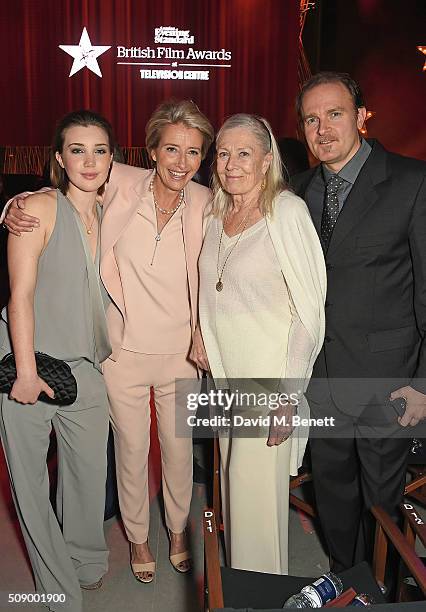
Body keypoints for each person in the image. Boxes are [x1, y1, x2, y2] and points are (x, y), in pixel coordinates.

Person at [4, 99, 214, 583]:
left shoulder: (206, 201)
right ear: (152, 151)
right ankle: (139, 537)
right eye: (172, 150)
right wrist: (13, 206)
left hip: (182, 354)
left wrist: (204, 330)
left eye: (194, 153)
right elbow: (64, 178)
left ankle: (178, 530)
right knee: (130, 453)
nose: (182, 163)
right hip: (122, 353)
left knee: (180, 454)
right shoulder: (120, 183)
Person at [291, 71, 426, 572]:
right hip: (319, 380)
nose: (322, 129)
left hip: (387, 382)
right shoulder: (296, 192)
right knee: (334, 497)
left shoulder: (413, 183)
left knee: (382, 506)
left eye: (335, 114)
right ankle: (348, 580)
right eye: (311, 118)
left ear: (362, 116)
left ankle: (383, 591)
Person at [195, 113, 326, 574]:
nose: (231, 164)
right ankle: (247, 593)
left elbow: (309, 316)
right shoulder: (217, 211)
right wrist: (200, 329)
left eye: (244, 153)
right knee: (235, 497)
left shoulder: (286, 213)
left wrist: (288, 397)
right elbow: (214, 284)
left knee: (255, 512)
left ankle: (259, 594)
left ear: (267, 159)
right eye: (224, 153)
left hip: (266, 385)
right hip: (226, 382)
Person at [0, 110, 114, 612]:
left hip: (84, 370)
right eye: (77, 150)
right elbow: (18, 295)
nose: (89, 161)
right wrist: (24, 372)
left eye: (100, 150)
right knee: (31, 485)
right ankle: (57, 589)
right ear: (58, 159)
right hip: (28, 363)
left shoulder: (112, 210)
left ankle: (85, 561)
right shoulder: (41, 208)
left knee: (88, 476)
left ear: (113, 159)